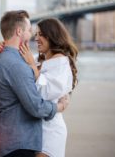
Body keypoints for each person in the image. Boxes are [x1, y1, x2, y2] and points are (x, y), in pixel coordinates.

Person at [0, 10, 69, 157]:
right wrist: (59, 107)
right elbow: (36, 106)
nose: (34, 37)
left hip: (25, 137)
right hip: (19, 140)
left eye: (40, 34)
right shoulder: (17, 64)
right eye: (31, 31)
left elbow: (54, 87)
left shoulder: (18, 60)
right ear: (19, 31)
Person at [19, 18, 78, 157]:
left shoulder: (60, 61)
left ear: (52, 35)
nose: (37, 38)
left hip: (51, 131)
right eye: (36, 34)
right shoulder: (43, 59)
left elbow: (46, 93)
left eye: (41, 34)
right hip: (36, 129)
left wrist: (32, 66)